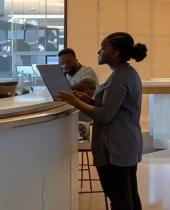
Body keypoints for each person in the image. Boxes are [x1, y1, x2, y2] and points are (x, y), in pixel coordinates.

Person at [56, 32, 148, 210]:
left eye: (103, 48)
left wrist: (75, 102)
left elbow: (105, 115)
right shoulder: (126, 73)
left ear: (115, 53)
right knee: (128, 194)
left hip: (116, 146)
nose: (99, 51)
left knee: (120, 197)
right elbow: (114, 106)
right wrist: (89, 100)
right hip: (124, 143)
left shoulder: (119, 78)